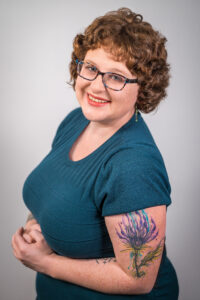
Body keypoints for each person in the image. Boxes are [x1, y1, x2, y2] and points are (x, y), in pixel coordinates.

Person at [11, 7, 179, 300]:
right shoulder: (78, 120)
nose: (95, 85)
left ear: (143, 88)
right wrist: (36, 227)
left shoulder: (134, 165)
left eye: (116, 77)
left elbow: (137, 279)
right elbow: (57, 191)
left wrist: (44, 262)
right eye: (90, 68)